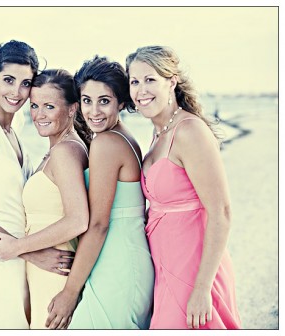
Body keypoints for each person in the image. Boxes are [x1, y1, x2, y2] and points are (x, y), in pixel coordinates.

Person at [0, 40, 74, 329]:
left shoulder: (15, 131)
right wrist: (32, 252)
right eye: (9, 80)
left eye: (25, 83)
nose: (17, 92)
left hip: (17, 264)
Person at [126, 45, 241, 329]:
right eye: (134, 81)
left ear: (172, 81)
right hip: (165, 263)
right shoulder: (158, 131)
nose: (141, 89)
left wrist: (202, 287)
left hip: (194, 268)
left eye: (150, 79)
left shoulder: (190, 131)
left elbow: (222, 212)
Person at [45, 56, 155, 330]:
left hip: (117, 261)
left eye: (104, 101)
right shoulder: (121, 136)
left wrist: (70, 293)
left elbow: (97, 225)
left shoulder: (106, 143)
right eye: (86, 100)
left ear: (121, 102)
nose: (93, 111)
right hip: (121, 256)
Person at [0, 69, 91, 329]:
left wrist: (18, 247)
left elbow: (78, 220)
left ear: (72, 109)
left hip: (56, 271)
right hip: (45, 268)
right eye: (34, 105)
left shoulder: (66, 151)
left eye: (49, 106)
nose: (39, 115)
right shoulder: (58, 149)